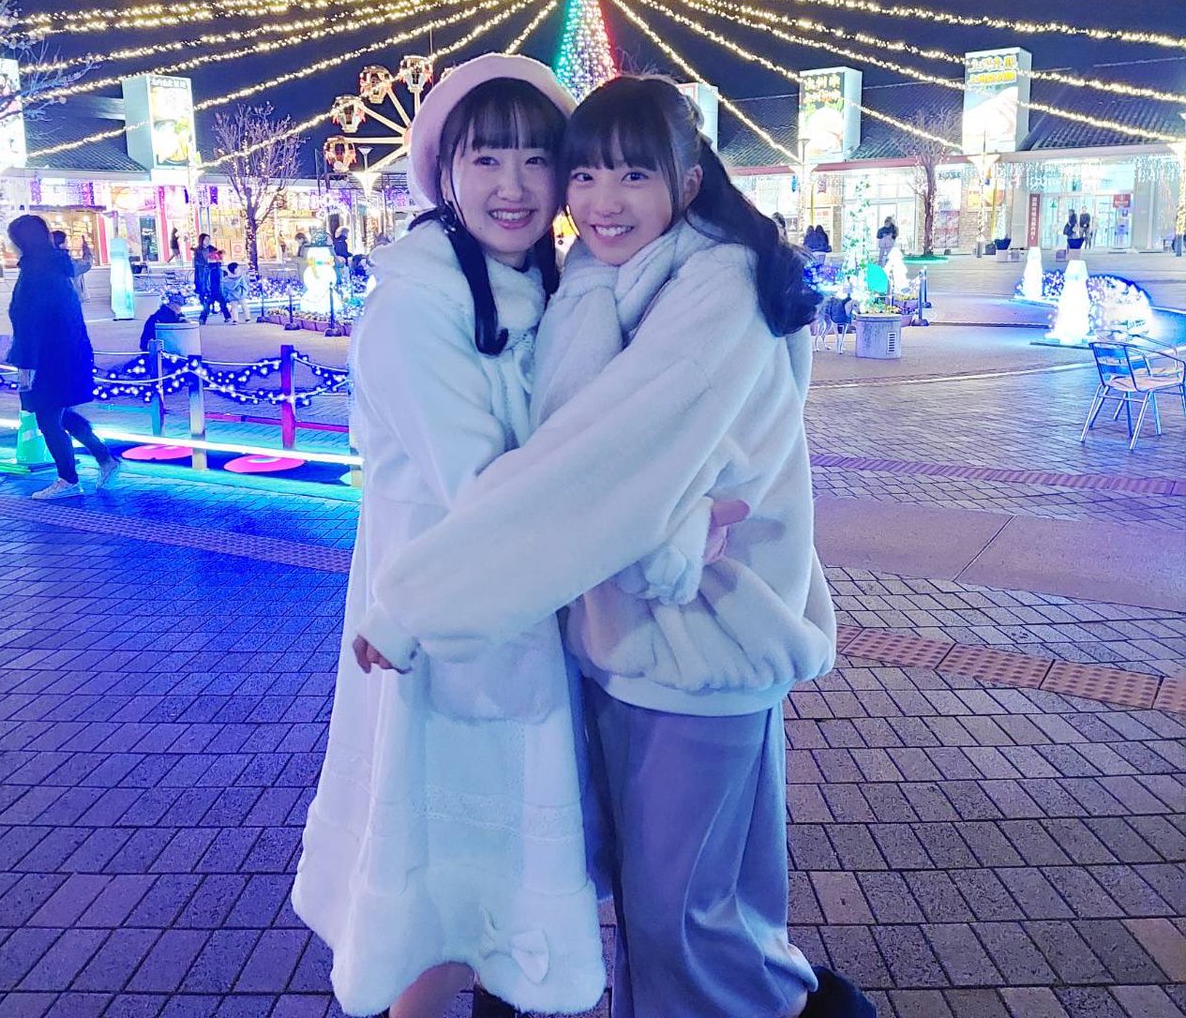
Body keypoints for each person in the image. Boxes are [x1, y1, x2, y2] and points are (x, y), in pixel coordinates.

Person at [360, 77, 872, 1017]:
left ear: (688, 180)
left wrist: (416, 601)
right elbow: (595, 473)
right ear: (444, 173)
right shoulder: (592, 281)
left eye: (632, 174)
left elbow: (596, 473)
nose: (599, 198)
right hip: (627, 644)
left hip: (698, 641)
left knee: (680, 925)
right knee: (667, 912)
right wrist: (671, 522)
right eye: (586, 171)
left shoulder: (708, 289)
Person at [291, 55, 605, 1018]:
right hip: (435, 641)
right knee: (429, 905)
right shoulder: (415, 306)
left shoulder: (547, 291)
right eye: (486, 158)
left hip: (517, 623)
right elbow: (487, 490)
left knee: (496, 902)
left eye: (537, 158)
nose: (514, 185)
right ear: (445, 172)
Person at [6, 214, 122, 500]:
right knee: (60, 414)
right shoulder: (53, 266)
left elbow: (31, 322)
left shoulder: (37, 272)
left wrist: (26, 365)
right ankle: (104, 458)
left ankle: (69, 479)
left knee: (48, 419)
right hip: (65, 354)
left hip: (48, 359)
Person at [200, 244, 232, 324]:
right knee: (222, 304)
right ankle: (227, 317)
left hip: (211, 290)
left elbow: (205, 281)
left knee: (207, 305)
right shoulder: (217, 269)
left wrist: (205, 290)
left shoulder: (208, 270)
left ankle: (203, 319)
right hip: (216, 290)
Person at [193, 234, 211, 302]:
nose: (208, 241)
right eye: (206, 239)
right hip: (202, 271)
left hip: (211, 271)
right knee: (202, 285)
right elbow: (197, 262)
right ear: (201, 240)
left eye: (208, 239)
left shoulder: (212, 249)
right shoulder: (198, 250)